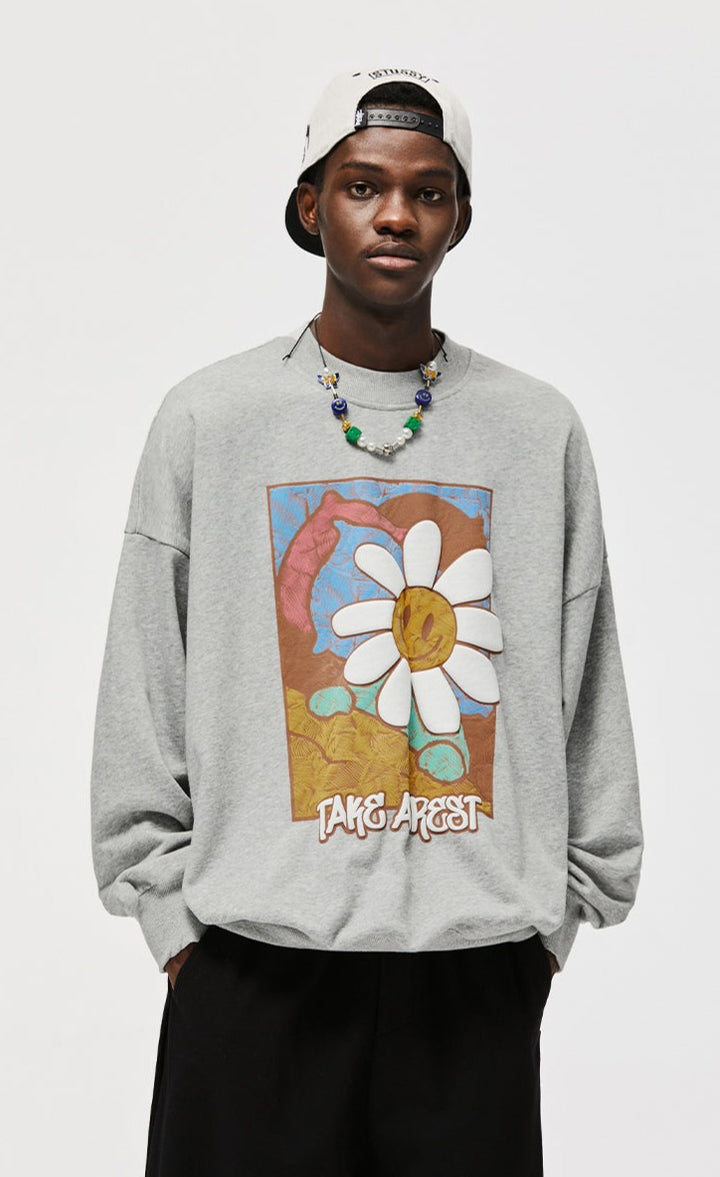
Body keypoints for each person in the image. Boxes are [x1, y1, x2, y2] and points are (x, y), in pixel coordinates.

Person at [90, 65, 644, 1177]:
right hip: (250, 971)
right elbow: (147, 676)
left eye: (429, 191)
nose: (397, 215)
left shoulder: (536, 431)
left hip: (473, 981)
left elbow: (588, 686)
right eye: (362, 186)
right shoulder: (211, 419)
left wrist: (550, 927)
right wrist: (176, 928)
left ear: (460, 217)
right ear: (311, 207)